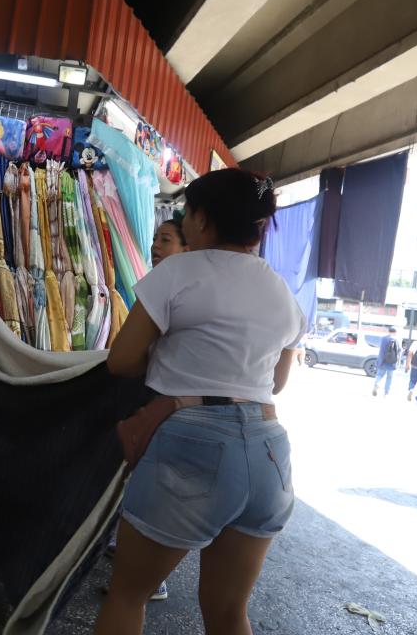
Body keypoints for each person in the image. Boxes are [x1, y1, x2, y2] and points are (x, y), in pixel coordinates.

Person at [97, 169, 304, 635]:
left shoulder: (178, 271)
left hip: (195, 443)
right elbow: (277, 381)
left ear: (204, 220)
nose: (184, 221)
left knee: (128, 595)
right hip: (270, 453)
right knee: (229, 612)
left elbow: (121, 361)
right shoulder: (279, 289)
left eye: (187, 212)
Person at [107, 213, 190, 602]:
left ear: (190, 245)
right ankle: (141, 569)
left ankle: (143, 577)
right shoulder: (252, 287)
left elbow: (122, 359)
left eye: (167, 239)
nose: (157, 247)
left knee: (153, 492)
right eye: (156, 239)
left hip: (165, 408)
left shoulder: (170, 283)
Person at [372, 326, 399, 397]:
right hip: (392, 363)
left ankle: (377, 384)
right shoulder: (396, 340)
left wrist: (379, 361)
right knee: (389, 378)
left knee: (379, 375)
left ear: (388, 331)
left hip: (383, 361)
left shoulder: (383, 339)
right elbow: (398, 352)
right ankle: (386, 392)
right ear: (395, 332)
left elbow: (381, 351)